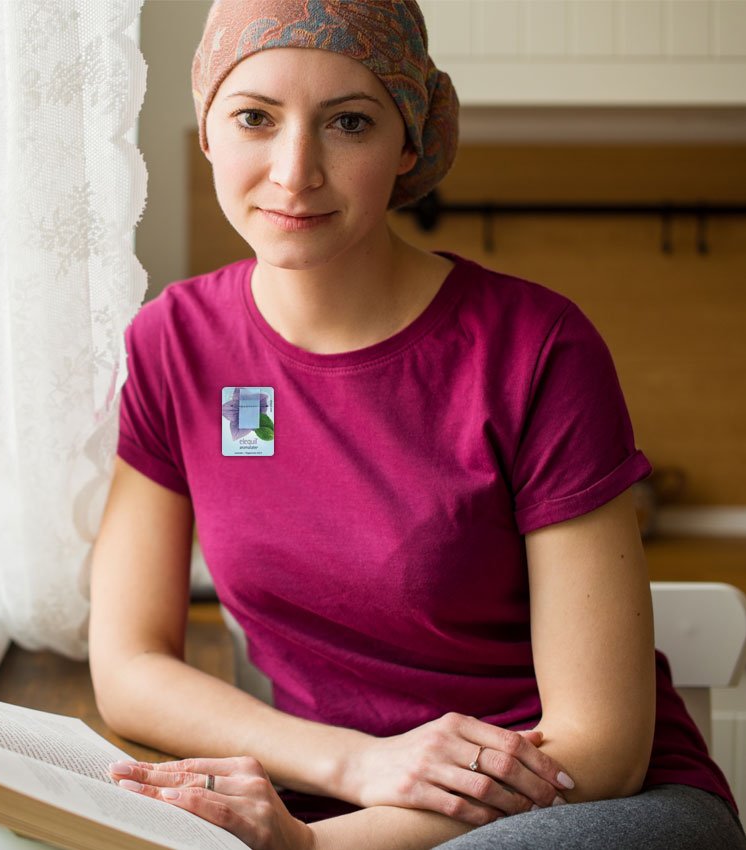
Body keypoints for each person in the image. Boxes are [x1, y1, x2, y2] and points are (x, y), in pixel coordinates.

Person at [87, 1, 745, 848]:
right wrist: (353, 766)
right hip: (343, 804)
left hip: (586, 815)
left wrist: (314, 845)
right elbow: (130, 669)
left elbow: (604, 750)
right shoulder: (175, 343)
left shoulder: (538, 347)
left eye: (348, 123)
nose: (294, 171)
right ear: (209, 130)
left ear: (409, 142)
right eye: (255, 117)